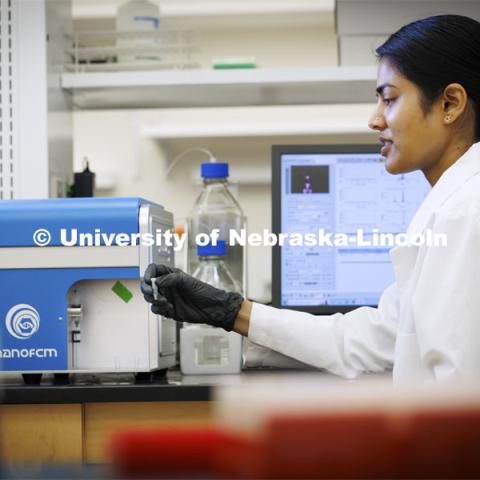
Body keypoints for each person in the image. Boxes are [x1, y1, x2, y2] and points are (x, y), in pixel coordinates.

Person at [142, 15, 480, 383]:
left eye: (390, 99)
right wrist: (229, 310)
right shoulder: (456, 206)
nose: (375, 120)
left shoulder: (465, 212)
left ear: (450, 103)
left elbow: (461, 395)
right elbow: (371, 339)